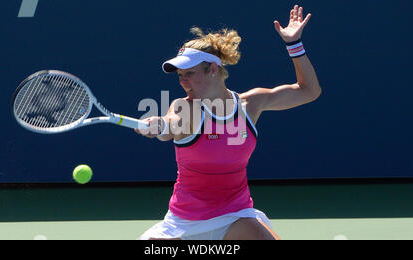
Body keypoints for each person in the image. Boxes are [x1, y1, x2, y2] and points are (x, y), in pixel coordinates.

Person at [136, 5, 321, 240]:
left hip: (236, 217)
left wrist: (294, 44)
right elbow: (170, 125)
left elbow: (309, 91)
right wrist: (160, 126)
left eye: (190, 73)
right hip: (183, 224)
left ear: (213, 69)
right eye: (180, 76)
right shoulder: (185, 108)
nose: (183, 82)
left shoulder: (250, 105)